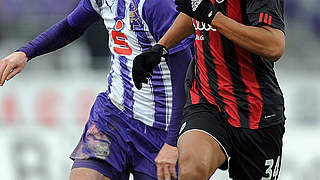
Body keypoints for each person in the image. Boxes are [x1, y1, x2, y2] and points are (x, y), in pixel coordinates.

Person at [0, 0, 194, 179]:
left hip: (163, 127)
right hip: (113, 116)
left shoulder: (157, 5)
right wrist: (26, 52)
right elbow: (71, 26)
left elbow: (185, 77)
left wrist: (172, 142)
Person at [132, 0, 286, 179]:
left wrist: (213, 17)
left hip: (257, 111)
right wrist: (162, 47)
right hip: (206, 100)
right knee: (191, 169)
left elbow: (274, 45)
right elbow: (197, 12)